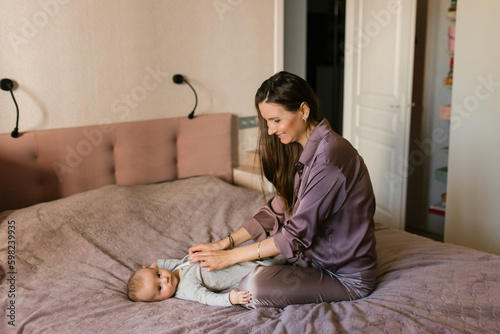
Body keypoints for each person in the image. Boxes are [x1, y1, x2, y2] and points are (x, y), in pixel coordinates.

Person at [188, 71, 377, 308]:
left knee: (251, 287)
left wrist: (229, 257)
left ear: (304, 111)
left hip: (344, 276)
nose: (270, 130)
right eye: (267, 121)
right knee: (241, 260)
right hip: (309, 261)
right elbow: (278, 208)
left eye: (276, 120)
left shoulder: (329, 159)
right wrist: (225, 244)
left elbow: (295, 235)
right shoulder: (302, 147)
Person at [127, 254, 288, 306]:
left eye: (158, 275)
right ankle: (292, 258)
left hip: (228, 258)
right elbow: (207, 298)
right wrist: (229, 299)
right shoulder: (186, 289)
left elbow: (161, 264)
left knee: (258, 253)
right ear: (158, 300)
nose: (165, 280)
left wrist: (151, 267)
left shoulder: (172, 268)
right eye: (160, 289)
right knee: (267, 265)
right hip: (238, 273)